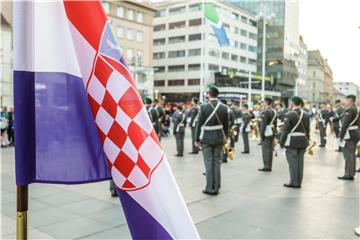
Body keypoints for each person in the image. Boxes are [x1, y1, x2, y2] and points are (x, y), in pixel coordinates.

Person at [195, 86, 229, 195]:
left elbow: (199, 124)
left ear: (209, 94)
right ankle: (217, 187)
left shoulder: (204, 107)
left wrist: (196, 139)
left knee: (208, 163)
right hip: (219, 138)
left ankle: (209, 188)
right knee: (217, 163)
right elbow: (227, 126)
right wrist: (225, 138)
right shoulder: (224, 107)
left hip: (207, 138)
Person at [279, 96, 310, 188]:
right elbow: (307, 130)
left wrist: (281, 142)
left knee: (293, 163)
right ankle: (299, 182)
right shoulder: (306, 114)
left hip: (292, 141)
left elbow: (285, 130)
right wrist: (307, 140)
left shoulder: (290, 114)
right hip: (303, 140)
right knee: (300, 163)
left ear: (292, 103)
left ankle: (294, 182)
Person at [337, 95, 360, 181]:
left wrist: (340, 137)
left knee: (348, 155)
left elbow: (345, 125)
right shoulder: (356, 109)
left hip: (349, 134)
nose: (345, 102)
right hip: (355, 133)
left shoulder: (349, 109)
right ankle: (351, 172)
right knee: (352, 154)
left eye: (346, 100)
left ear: (350, 101)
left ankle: (348, 174)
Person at [259, 97, 277, 172]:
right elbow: (275, 123)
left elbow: (263, 125)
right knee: (270, 149)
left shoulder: (266, 112)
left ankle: (266, 166)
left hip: (266, 132)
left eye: (263, 102)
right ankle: (269, 165)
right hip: (272, 131)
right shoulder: (274, 111)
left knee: (266, 150)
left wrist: (261, 135)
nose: (262, 103)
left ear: (266, 103)